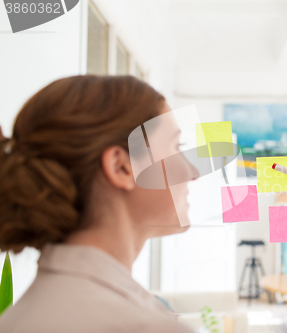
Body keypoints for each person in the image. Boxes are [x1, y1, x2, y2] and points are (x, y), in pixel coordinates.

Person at [0, 75, 198, 332]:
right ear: (121, 167)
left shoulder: (16, 320)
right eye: (175, 146)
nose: (191, 171)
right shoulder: (145, 326)